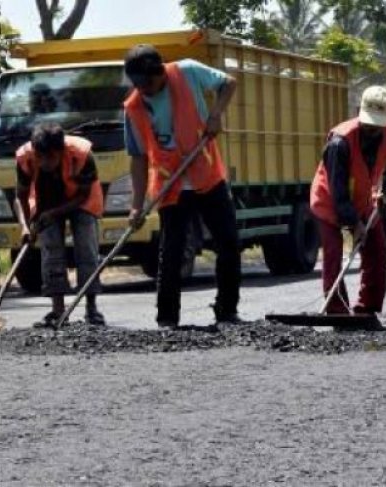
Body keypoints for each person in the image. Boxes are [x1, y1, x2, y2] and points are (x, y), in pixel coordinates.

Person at [123, 44, 241, 329]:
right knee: (172, 251)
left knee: (228, 243)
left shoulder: (187, 71)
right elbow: (138, 159)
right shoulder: (133, 108)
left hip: (206, 175)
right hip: (170, 185)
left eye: (147, 83)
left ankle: (226, 310)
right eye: (137, 84)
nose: (144, 89)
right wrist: (136, 205)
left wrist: (216, 114)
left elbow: (228, 83)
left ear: (160, 72)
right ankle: (167, 318)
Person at [310, 85, 386, 318]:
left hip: (365, 199)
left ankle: (367, 309)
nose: (372, 130)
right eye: (369, 124)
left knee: (377, 250)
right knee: (333, 255)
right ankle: (337, 312)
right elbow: (338, 191)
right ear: (358, 111)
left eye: (377, 125)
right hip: (329, 200)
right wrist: (355, 225)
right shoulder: (340, 142)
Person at [14, 122, 106, 327]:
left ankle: (92, 309)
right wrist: (25, 227)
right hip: (46, 204)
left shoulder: (81, 155)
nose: (44, 162)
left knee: (86, 251)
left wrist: (54, 213)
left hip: (82, 202)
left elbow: (83, 195)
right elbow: (19, 197)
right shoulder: (26, 158)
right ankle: (58, 310)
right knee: (51, 250)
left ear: (61, 151)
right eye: (40, 157)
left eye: (50, 157)